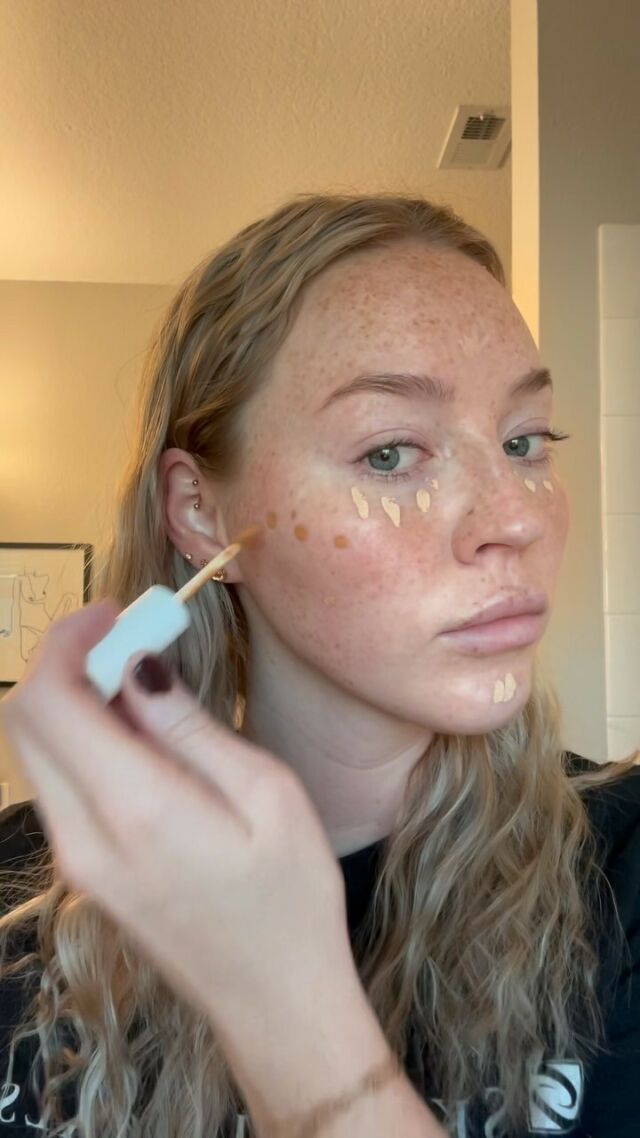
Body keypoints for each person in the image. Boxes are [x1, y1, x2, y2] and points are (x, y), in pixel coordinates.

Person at [0, 193, 638, 1138]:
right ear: (202, 512)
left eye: (524, 441)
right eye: (391, 453)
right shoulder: (17, 907)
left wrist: (283, 1003)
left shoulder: (622, 874)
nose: (516, 517)